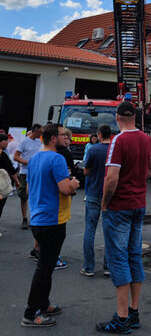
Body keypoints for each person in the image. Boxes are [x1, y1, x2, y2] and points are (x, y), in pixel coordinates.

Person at [97, 101, 151, 333]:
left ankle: (121, 319)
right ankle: (133, 312)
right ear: (135, 116)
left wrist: (105, 203)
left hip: (119, 207)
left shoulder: (118, 140)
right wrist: (137, 179)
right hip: (138, 205)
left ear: (118, 117)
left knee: (118, 259)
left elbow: (111, 178)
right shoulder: (146, 139)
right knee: (134, 257)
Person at [21, 123, 79, 328]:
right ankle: (31, 313)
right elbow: (65, 189)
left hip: (37, 217)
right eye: (63, 135)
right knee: (44, 268)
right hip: (52, 220)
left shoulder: (35, 157)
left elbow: (28, 188)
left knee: (47, 265)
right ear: (53, 138)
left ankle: (43, 304)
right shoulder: (57, 159)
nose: (67, 138)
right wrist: (74, 184)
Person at [81, 124, 112, 277]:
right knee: (109, 231)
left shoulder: (93, 149)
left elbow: (86, 171)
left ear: (99, 134)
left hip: (93, 192)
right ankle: (108, 267)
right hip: (111, 195)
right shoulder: (115, 149)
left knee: (90, 229)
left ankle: (89, 267)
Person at [14, 124, 43, 229]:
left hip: (36, 172)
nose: (41, 134)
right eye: (40, 132)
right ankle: (24, 218)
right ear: (35, 131)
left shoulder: (39, 142)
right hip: (25, 172)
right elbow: (16, 156)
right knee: (23, 196)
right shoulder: (24, 142)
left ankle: (34, 218)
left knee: (35, 195)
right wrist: (27, 162)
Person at [0, 133, 19, 229]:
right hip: (2, 186)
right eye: (5, 141)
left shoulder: (4, 153)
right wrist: (17, 181)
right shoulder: (2, 155)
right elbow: (11, 170)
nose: (7, 143)